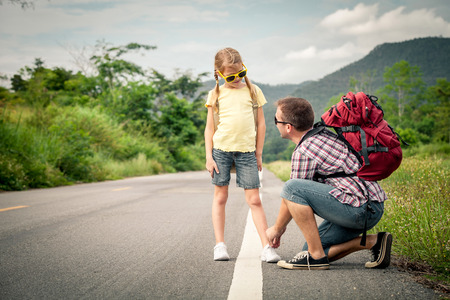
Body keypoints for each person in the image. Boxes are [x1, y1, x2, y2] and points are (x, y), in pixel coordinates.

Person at [266, 96, 393, 270]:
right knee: (309, 249)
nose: (275, 124)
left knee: (291, 186)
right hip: (372, 207)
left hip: (357, 210)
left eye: (276, 120)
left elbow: (292, 193)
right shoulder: (324, 134)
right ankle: (374, 242)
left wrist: (277, 229)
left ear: (288, 127)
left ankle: (316, 258)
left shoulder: (304, 150)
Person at [204, 47, 280, 263]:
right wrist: (209, 156)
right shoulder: (215, 94)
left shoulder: (253, 90)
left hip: (247, 151)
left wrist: (259, 153)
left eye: (241, 74)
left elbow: (261, 124)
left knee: (254, 199)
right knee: (221, 197)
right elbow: (209, 128)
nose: (237, 79)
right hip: (221, 151)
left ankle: (266, 247)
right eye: (231, 76)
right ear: (219, 74)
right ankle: (220, 245)